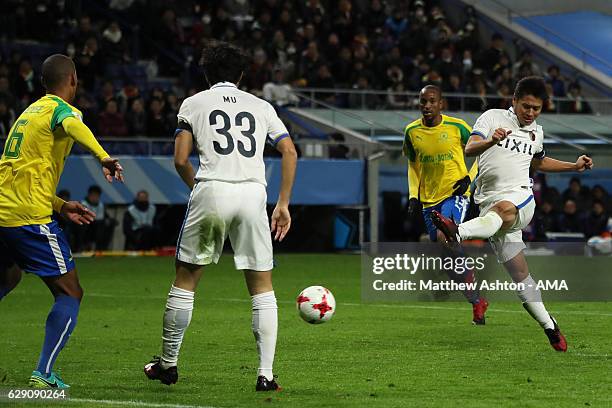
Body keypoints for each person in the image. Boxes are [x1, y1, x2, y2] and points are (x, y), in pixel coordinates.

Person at [143, 42, 297, 391]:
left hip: (212, 188)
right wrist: (283, 203)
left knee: (186, 279)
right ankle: (266, 374)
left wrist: (199, 186)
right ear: (241, 74)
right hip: (253, 193)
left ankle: (168, 365)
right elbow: (288, 150)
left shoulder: (193, 103)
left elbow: (181, 159)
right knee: (262, 287)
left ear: (207, 72)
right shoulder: (261, 106)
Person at [432, 76, 593, 352]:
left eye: (537, 108)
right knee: (521, 277)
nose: (530, 113)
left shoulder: (537, 132)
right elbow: (469, 148)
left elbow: (538, 162)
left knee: (505, 210)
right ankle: (550, 326)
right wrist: (491, 141)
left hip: (520, 199)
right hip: (489, 210)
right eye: (526, 106)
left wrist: (573, 166)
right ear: (514, 101)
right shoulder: (492, 118)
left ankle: (458, 231)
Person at [0, 54, 123, 388]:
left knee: (8, 276)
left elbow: (22, 176)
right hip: (27, 220)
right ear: (72, 80)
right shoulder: (60, 110)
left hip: (4, 212)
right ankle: (43, 372)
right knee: (70, 292)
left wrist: (60, 204)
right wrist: (103, 156)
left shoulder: (26, 116)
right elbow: (72, 124)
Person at [402, 85, 487, 324]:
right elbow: (413, 165)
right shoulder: (411, 132)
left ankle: (468, 271)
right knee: (447, 259)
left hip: (456, 194)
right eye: (423, 102)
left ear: (441, 104)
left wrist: (468, 179)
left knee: (444, 236)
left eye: (431, 101)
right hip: (429, 200)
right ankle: (477, 300)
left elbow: (483, 152)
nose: (427, 106)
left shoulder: (457, 127)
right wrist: (413, 196)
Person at [75, 185, 116, 251]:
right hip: (86, 227)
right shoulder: (82, 204)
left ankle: (102, 248)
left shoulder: (101, 205)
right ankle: (82, 247)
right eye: (93, 195)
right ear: (89, 195)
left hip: (97, 227)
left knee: (109, 224)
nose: (95, 198)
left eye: (97, 196)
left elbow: (105, 217)